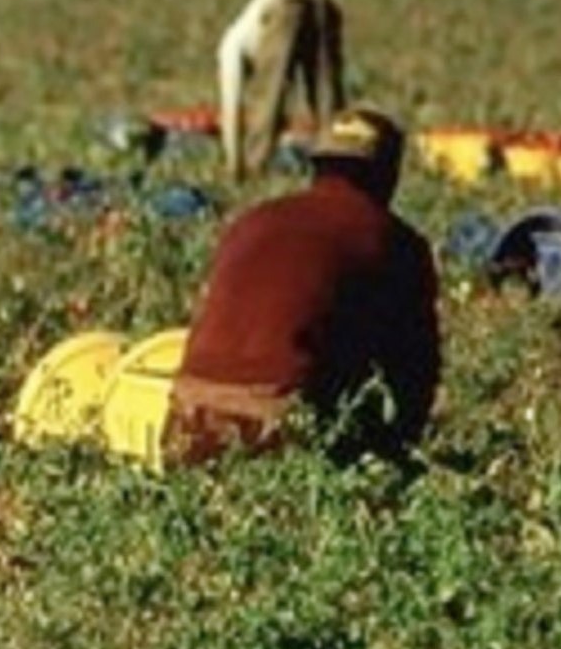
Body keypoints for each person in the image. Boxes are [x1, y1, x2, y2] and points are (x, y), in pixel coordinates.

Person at [165, 108, 440, 467]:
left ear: (317, 166)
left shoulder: (252, 221)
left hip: (186, 417)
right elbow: (413, 372)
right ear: (389, 175)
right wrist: (400, 453)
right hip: (279, 424)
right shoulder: (395, 242)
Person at [218, 0, 345, 182]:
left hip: (286, 3)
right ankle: (340, 166)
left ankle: (254, 171)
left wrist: (234, 165)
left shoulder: (230, 49)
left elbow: (231, 112)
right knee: (328, 98)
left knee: (270, 98)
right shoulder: (245, 32)